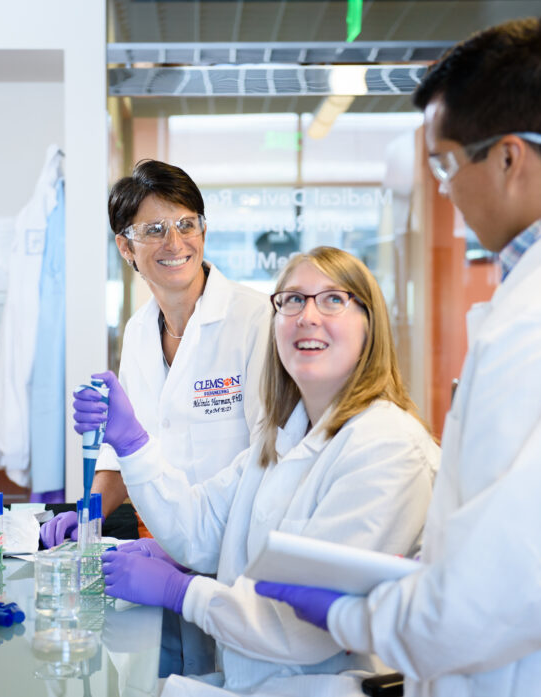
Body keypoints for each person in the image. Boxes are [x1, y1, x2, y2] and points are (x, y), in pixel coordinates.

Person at [256, 18, 541, 697]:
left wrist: (355, 613)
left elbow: (502, 592)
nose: (445, 191)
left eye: (446, 163)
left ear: (510, 157)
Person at [74, 247, 439, 696]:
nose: (307, 315)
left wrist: (180, 592)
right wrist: (132, 444)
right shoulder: (283, 437)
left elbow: (300, 631)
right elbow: (199, 527)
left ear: (371, 325)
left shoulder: (386, 447)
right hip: (252, 680)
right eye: (291, 300)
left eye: (332, 300)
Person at [40, 159, 272, 546]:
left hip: (235, 542)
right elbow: (129, 453)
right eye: (155, 230)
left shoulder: (256, 320)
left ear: (203, 231)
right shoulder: (139, 332)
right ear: (126, 247)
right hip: (158, 539)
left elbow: (269, 456)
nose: (175, 243)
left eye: (186, 224)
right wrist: (87, 512)